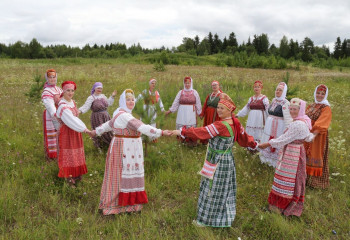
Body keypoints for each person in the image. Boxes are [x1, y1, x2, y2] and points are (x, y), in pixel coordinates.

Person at [173, 95, 257, 227]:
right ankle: (223, 215)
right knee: (224, 189)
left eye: (222, 108)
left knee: (211, 189)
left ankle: (206, 220)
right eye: (218, 107)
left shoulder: (221, 125)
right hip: (227, 160)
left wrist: (182, 131)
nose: (218, 110)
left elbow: (201, 132)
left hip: (216, 161)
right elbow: (244, 138)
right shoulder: (235, 122)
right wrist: (254, 144)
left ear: (230, 110)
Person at [90, 89, 171, 215]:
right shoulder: (125, 116)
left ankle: (122, 204)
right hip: (125, 149)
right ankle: (118, 206)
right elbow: (142, 127)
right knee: (121, 175)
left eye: (133, 99)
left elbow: (107, 125)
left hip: (125, 148)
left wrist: (96, 131)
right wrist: (161, 132)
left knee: (118, 175)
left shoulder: (120, 114)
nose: (131, 101)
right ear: (123, 101)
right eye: (128, 99)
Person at [259, 98, 314, 217]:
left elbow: (283, 139)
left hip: (292, 153)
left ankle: (279, 206)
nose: (292, 111)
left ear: (301, 110)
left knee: (285, 178)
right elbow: (309, 137)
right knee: (293, 178)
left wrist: (267, 144)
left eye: (295, 109)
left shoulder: (298, 124)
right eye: (291, 109)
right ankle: (283, 203)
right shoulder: (303, 121)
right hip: (296, 150)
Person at [56, 81, 91, 187]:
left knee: (77, 153)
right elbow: (71, 120)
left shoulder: (72, 102)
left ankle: (76, 174)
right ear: (64, 91)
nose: (70, 93)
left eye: (72, 90)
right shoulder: (62, 105)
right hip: (67, 132)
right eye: (68, 90)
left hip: (75, 131)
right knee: (69, 154)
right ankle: (69, 178)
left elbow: (76, 117)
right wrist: (85, 129)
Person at [259, 82, 292, 167]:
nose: (277, 91)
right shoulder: (274, 100)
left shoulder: (286, 103)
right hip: (269, 126)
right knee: (267, 139)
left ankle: (274, 164)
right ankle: (265, 161)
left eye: (280, 90)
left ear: (284, 92)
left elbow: (288, 118)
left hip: (279, 127)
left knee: (276, 141)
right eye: (277, 90)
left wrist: (287, 131)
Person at [305, 84, 332, 188]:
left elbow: (322, 122)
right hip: (307, 133)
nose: (319, 95)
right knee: (306, 154)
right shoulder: (312, 105)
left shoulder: (326, 108)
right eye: (318, 93)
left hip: (317, 135)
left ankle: (315, 183)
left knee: (315, 155)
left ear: (325, 95)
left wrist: (313, 135)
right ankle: (305, 179)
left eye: (322, 94)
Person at [79, 82, 116, 150]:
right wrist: (80, 111)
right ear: (94, 88)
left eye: (101, 88)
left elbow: (109, 103)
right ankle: (99, 147)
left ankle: (109, 145)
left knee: (108, 130)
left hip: (105, 116)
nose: (100, 90)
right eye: (98, 88)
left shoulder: (103, 96)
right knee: (98, 131)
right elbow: (86, 106)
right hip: (97, 117)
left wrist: (112, 96)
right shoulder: (91, 98)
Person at [165, 76, 201, 145]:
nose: (187, 85)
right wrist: (169, 111)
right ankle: (181, 141)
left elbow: (198, 103)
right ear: (184, 84)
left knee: (190, 127)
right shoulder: (180, 92)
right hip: (182, 113)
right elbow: (176, 103)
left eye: (188, 83)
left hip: (191, 113)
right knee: (181, 126)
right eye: (186, 83)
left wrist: (200, 113)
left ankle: (191, 142)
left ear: (191, 83)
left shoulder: (195, 92)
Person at [41, 69, 63, 160]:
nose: (52, 79)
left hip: (61, 112)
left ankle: (61, 152)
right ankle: (52, 156)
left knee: (61, 133)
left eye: (54, 77)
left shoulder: (58, 89)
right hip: (51, 115)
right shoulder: (46, 91)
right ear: (47, 78)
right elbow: (49, 105)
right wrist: (55, 114)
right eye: (50, 77)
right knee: (53, 135)